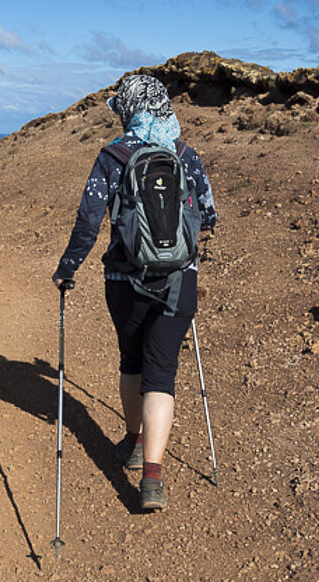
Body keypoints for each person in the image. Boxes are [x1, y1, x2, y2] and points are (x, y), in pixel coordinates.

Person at [51, 74, 217, 511]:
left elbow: (89, 221)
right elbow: (210, 214)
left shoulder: (113, 155)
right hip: (181, 280)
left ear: (127, 109)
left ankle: (132, 441)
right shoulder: (185, 153)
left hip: (124, 281)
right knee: (161, 375)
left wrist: (67, 270)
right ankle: (152, 479)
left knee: (131, 362)